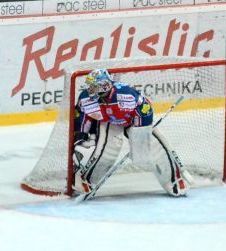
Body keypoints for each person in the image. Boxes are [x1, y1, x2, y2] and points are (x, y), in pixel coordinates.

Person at [73, 69, 190, 197]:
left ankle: (174, 180)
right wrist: (81, 135)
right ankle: (87, 181)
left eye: (93, 86)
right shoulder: (86, 98)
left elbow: (145, 109)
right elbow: (82, 116)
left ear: (103, 86)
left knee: (155, 147)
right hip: (109, 122)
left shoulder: (125, 95)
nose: (90, 89)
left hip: (132, 121)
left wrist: (140, 134)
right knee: (106, 152)